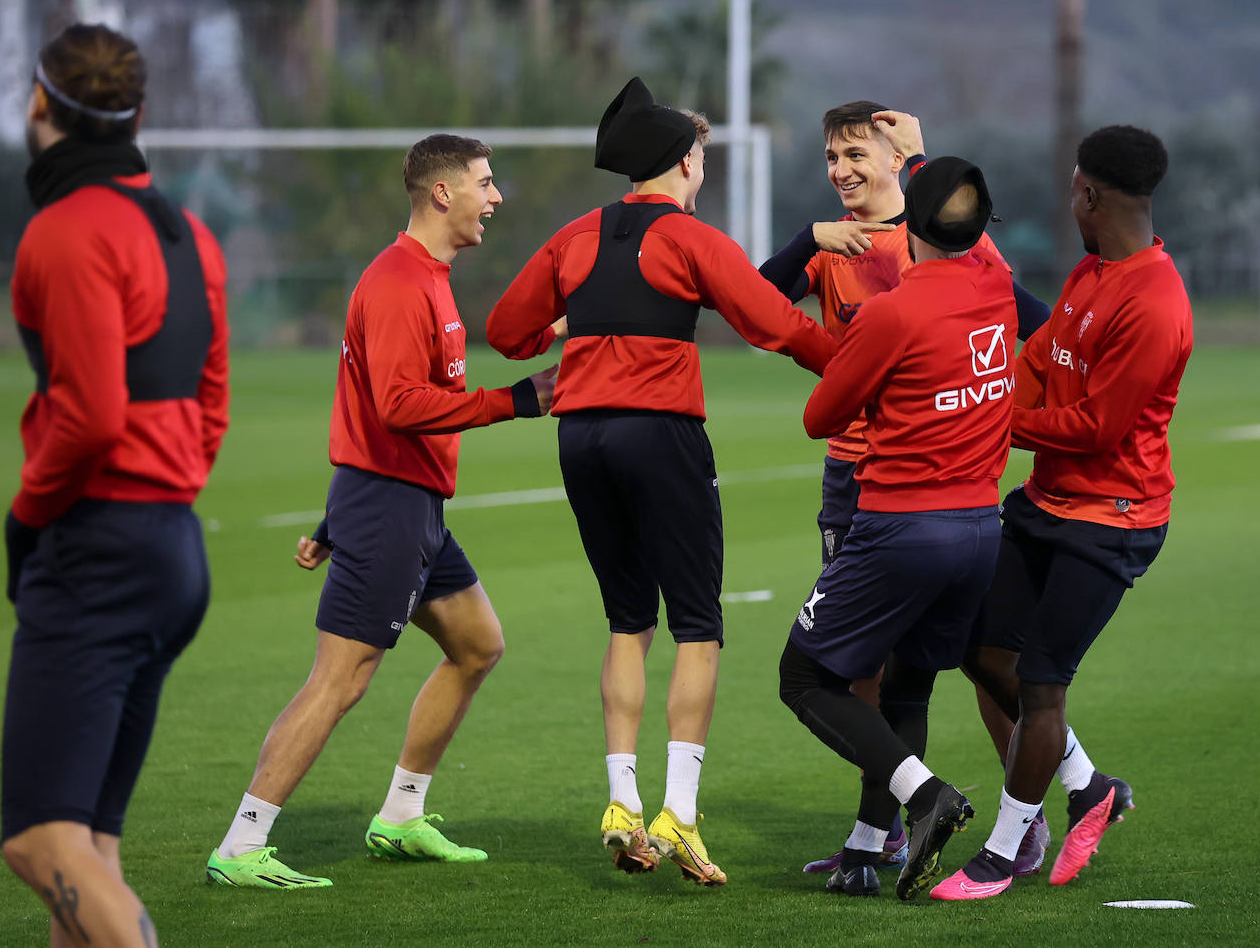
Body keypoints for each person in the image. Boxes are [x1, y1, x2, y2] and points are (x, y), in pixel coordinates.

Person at [486, 77, 836, 885]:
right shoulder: (692, 238)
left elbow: (506, 333)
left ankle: (620, 803)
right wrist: (860, 365)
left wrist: (577, 321)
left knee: (625, 621)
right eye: (702, 156)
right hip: (661, 433)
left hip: (581, 437)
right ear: (684, 161)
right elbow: (773, 325)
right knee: (699, 625)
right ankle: (679, 811)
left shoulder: (574, 236)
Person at [205, 133, 558, 889]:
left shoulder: (429, 275)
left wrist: (334, 522)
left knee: (477, 645)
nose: (495, 197)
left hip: (409, 505)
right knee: (340, 680)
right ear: (442, 193)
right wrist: (517, 402)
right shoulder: (400, 280)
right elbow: (398, 405)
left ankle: (399, 817)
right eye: (485, 183)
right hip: (390, 506)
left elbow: (372, 404)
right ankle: (242, 843)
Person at [760, 103, 1053, 878]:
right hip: (960, 512)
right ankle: (869, 843)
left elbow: (821, 410)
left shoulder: (906, 299)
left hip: (893, 505)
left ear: (899, 165)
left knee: (817, 675)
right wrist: (809, 239)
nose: (839, 168)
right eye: (830, 155)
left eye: (857, 151)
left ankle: (933, 800)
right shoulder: (978, 271)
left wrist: (838, 353)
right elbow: (756, 299)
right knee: (899, 676)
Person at [0, 24, 230, 947]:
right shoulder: (189, 231)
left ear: (39, 104)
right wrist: (166, 493)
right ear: (137, 113)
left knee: (38, 840)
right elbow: (211, 404)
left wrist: (27, 517)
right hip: (172, 549)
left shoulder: (62, 230)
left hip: (100, 549)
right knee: (91, 844)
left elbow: (90, 417)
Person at [932, 125, 1191, 901]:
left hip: (1114, 518)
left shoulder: (1155, 303)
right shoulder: (1089, 274)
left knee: (1043, 681)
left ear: (1089, 195)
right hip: (1050, 502)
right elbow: (1040, 364)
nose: (1067, 197)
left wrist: (991, 423)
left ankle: (1005, 851)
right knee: (982, 654)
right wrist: (989, 393)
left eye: (1072, 187)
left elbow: (1099, 430)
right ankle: (1088, 788)